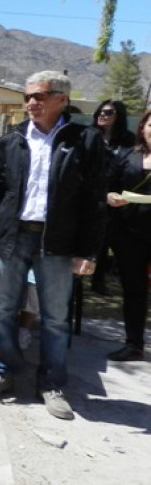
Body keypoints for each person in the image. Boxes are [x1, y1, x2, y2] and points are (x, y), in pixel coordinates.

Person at [0, 70, 107, 420]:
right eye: (28, 96)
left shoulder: (85, 140)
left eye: (40, 96)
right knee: (4, 311)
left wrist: (88, 251)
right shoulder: (11, 139)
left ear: (61, 98)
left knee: (55, 318)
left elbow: (94, 201)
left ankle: (52, 384)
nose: (31, 102)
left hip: (58, 243)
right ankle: (2, 372)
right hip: (13, 238)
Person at [104, 109, 151, 362]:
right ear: (143, 127)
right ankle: (134, 344)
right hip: (129, 234)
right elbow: (107, 186)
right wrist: (110, 196)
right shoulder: (127, 156)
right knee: (134, 289)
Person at [89, 99, 136, 295]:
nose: (102, 115)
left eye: (108, 112)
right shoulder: (90, 136)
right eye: (100, 111)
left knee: (112, 241)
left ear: (119, 116)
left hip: (119, 201)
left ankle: (102, 280)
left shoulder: (128, 141)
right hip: (93, 197)